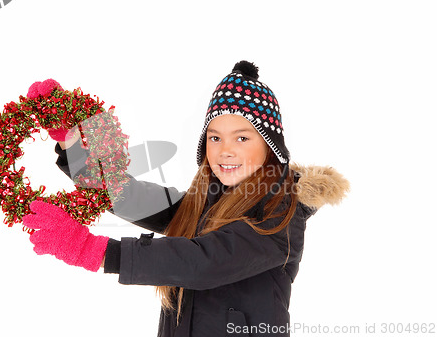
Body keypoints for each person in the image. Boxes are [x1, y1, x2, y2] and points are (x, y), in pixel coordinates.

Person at [23, 60, 350, 337]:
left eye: (242, 137)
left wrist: (90, 249)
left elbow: (202, 261)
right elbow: (131, 196)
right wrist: (73, 146)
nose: (225, 149)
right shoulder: (206, 203)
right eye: (215, 137)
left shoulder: (281, 216)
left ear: (269, 146)